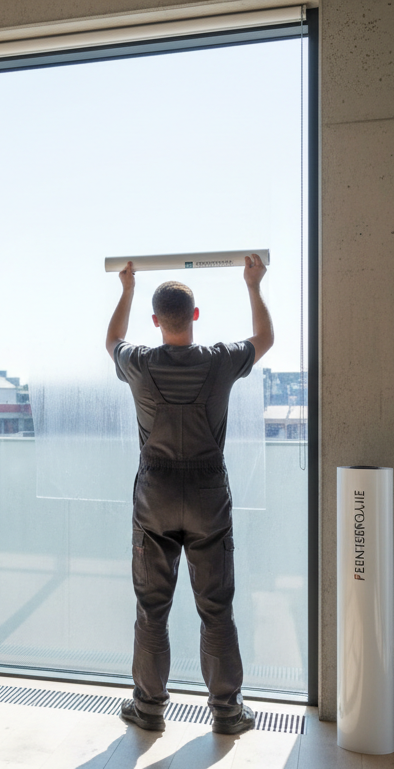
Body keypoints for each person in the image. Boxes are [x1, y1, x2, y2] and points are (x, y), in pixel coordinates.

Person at [105, 253, 273, 735]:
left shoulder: (138, 363)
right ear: (194, 317)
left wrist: (127, 289)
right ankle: (226, 712)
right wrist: (253, 284)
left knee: (151, 607)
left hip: (154, 495)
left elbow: (112, 340)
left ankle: (150, 709)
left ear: (156, 322)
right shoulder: (220, 361)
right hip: (206, 494)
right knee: (215, 606)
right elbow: (265, 338)